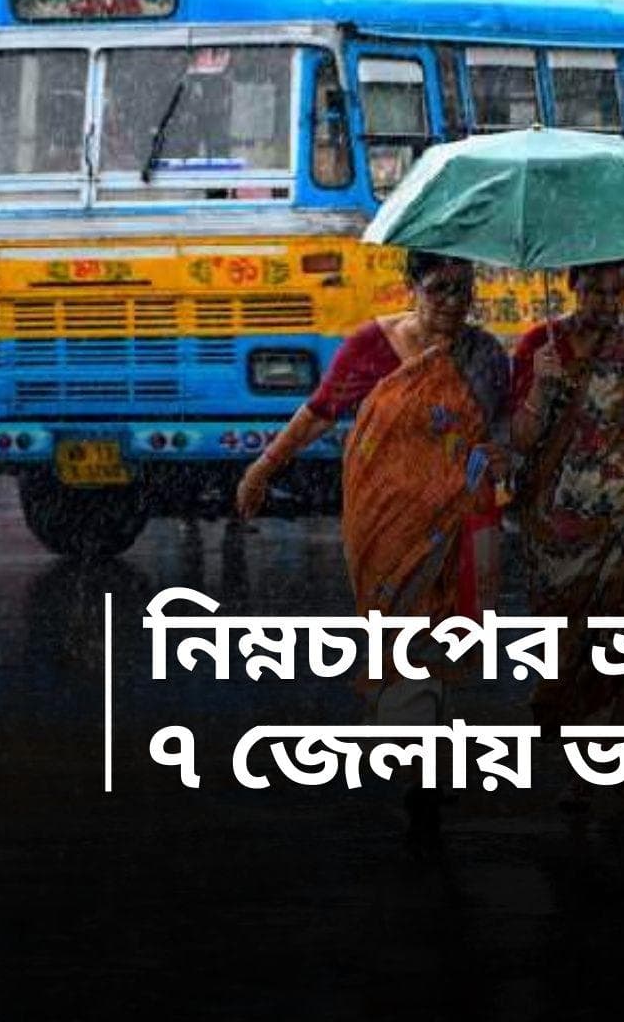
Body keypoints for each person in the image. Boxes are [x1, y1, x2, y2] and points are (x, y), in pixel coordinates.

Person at [235, 249, 510, 850]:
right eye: (439, 288)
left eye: (463, 289)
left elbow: (503, 433)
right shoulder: (371, 346)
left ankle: (426, 764)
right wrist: (264, 467)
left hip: (457, 516)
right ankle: (417, 750)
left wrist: (503, 457)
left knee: (441, 635)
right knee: (401, 631)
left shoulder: (485, 356)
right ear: (410, 286)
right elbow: (319, 412)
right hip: (385, 521)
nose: (452, 303)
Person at [509, 258, 624, 812]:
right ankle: (587, 762)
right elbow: (520, 439)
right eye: (594, 290)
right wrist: (542, 389)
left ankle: (620, 746)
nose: (607, 303)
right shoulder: (540, 346)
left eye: (617, 290)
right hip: (562, 528)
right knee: (576, 654)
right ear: (572, 284)